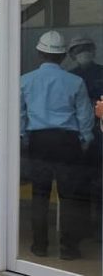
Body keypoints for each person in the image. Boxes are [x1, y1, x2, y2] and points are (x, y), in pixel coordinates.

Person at [21, 31, 94, 260]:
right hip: (67, 141)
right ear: (63, 56)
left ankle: (39, 246)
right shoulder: (75, 81)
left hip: (39, 141)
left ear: (39, 53)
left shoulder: (25, 80)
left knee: (40, 195)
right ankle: (68, 249)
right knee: (69, 197)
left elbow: (20, 116)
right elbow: (85, 117)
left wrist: (24, 140)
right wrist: (85, 140)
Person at [68, 36, 103, 240]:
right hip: (78, 136)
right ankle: (82, 227)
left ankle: (99, 228)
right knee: (80, 183)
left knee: (100, 183)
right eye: (79, 49)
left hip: (99, 134)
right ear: (72, 54)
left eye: (87, 48)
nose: (84, 52)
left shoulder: (101, 72)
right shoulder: (69, 77)